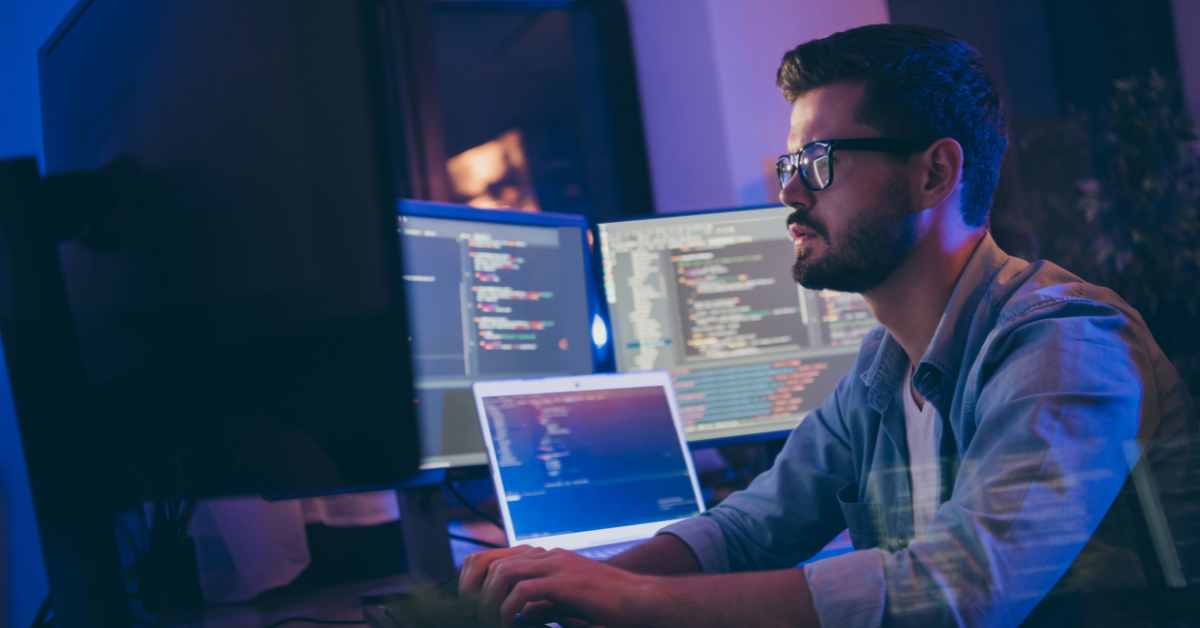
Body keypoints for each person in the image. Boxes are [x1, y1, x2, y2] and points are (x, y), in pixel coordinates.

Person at [458, 24, 1197, 627]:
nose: (786, 191)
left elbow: (959, 593)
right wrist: (571, 584)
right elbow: (751, 529)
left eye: (816, 160)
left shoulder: (1065, 343)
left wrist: (632, 602)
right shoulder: (883, 370)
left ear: (934, 174)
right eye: (789, 161)